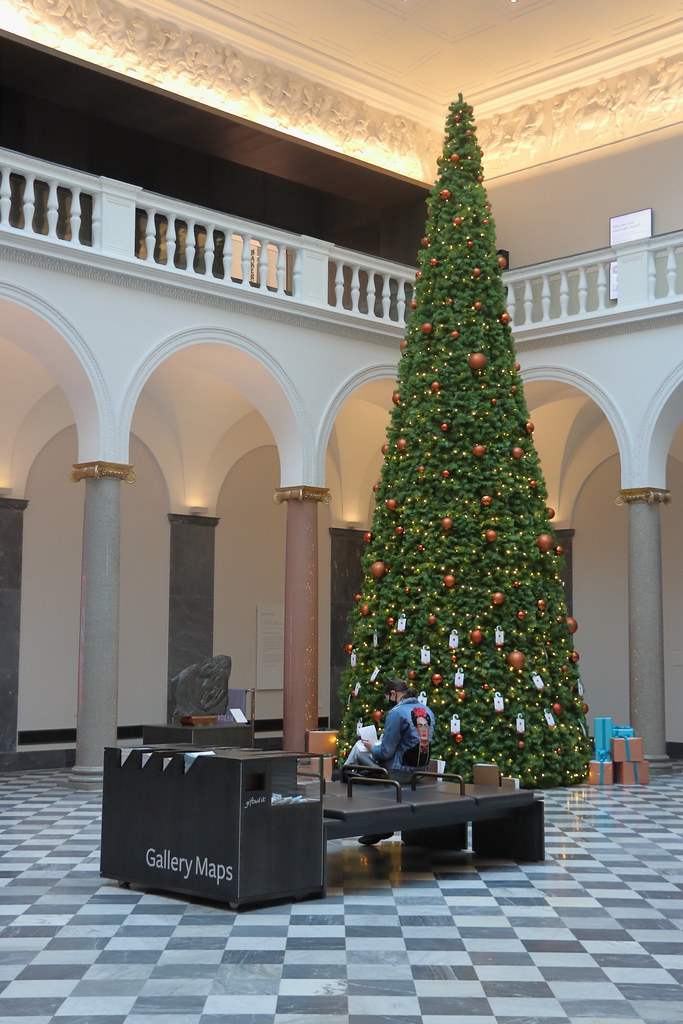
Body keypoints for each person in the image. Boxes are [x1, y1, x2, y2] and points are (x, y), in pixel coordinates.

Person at [343, 677, 435, 845]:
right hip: (420, 771)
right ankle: (379, 826)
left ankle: (377, 826)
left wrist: (372, 747)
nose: (388, 703)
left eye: (388, 699)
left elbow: (385, 752)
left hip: (397, 772)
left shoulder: (396, 713)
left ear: (393, 694)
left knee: (357, 759)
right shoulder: (427, 710)